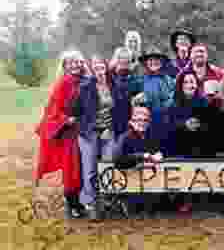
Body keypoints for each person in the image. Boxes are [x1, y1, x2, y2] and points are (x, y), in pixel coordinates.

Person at [73, 55, 131, 219]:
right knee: (90, 169)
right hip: (89, 133)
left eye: (101, 67)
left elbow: (123, 107)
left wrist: (113, 127)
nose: (99, 70)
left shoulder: (115, 85)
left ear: (106, 68)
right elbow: (75, 110)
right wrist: (86, 127)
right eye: (95, 67)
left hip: (109, 131)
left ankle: (106, 201)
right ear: (92, 69)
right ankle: (90, 204)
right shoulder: (85, 87)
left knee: (107, 166)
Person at [34, 49, 87, 219]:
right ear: (65, 66)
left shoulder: (85, 80)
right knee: (72, 168)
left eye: (78, 61)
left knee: (85, 166)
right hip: (69, 133)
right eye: (71, 62)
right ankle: (73, 204)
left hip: (85, 129)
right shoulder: (63, 83)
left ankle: (84, 200)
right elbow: (53, 109)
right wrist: (66, 120)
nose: (75, 65)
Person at [112, 106, 163, 219]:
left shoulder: (152, 136)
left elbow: (158, 152)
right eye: (138, 120)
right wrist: (141, 156)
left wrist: (159, 154)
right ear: (131, 122)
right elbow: (117, 159)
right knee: (134, 209)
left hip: (149, 182)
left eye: (145, 120)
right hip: (129, 182)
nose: (142, 123)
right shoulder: (124, 138)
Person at [129, 45, 175, 110]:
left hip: (165, 116)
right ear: (146, 63)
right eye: (150, 60)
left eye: (156, 59)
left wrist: (165, 104)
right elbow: (133, 99)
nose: (153, 62)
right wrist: (136, 100)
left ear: (162, 62)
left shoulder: (169, 80)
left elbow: (173, 99)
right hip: (145, 117)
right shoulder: (140, 80)